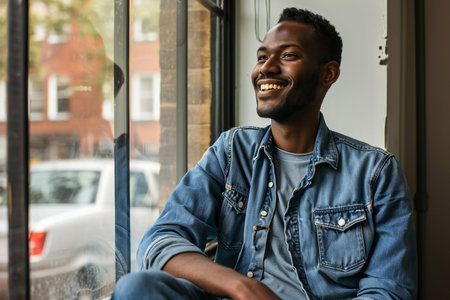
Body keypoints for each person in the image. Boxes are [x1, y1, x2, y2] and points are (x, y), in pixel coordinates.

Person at [112, 8, 417, 300]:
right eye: (261, 57)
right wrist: (244, 288)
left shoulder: (376, 172)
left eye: (288, 56)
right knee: (136, 288)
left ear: (328, 74)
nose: (266, 68)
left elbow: (389, 290)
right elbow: (161, 240)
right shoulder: (232, 152)